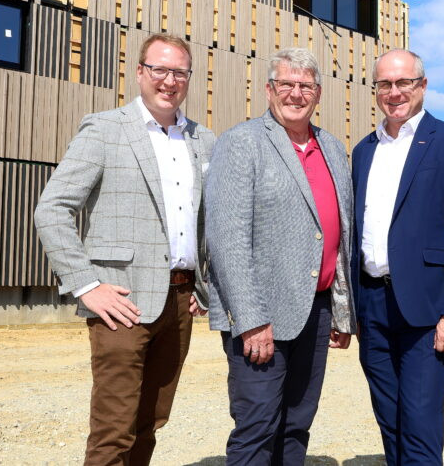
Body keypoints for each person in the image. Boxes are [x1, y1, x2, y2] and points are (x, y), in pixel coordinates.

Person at [34, 33, 214, 465]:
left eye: (179, 72)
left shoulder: (204, 140)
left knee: (151, 421)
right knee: (113, 429)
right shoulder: (105, 129)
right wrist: (86, 284)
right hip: (122, 301)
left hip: (180, 301)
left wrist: (204, 286)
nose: (169, 81)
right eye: (159, 69)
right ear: (139, 72)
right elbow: (52, 209)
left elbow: (209, 221)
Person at [205, 47, 355, 465]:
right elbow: (227, 238)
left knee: (297, 424)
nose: (296, 93)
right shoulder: (242, 142)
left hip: (317, 311)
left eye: (305, 85)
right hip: (262, 316)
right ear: (269, 90)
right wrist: (251, 319)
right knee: (257, 427)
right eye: (286, 84)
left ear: (318, 93)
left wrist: (341, 311)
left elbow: (340, 233)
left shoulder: (332, 147)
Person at [351, 49, 444, 465]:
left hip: (426, 309)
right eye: (385, 84)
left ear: (422, 85)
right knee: (389, 420)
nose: (395, 92)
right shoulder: (364, 151)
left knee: (420, 424)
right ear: (375, 90)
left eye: (404, 82)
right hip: (372, 306)